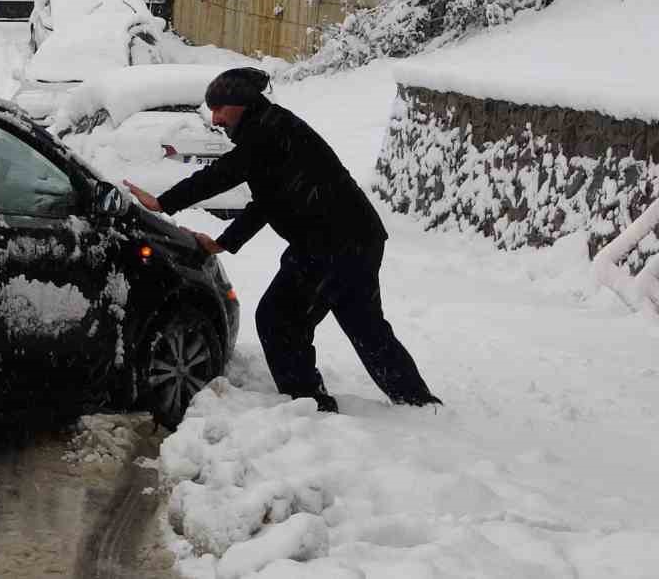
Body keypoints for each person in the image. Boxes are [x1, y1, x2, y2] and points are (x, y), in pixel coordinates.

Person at [123, 67, 440, 415]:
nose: (214, 119)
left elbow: (223, 174)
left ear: (240, 104)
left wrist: (164, 202)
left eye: (219, 109)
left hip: (333, 242)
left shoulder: (267, 132)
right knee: (362, 326)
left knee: (279, 319)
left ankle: (309, 404)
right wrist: (223, 242)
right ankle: (416, 404)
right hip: (346, 238)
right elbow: (268, 201)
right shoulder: (270, 128)